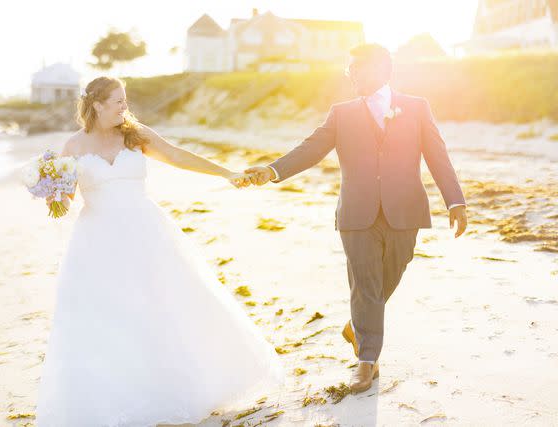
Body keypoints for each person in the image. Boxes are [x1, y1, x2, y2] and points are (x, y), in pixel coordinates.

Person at [35, 76, 284, 426]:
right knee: (110, 316)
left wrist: (226, 172)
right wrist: (51, 192)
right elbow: (65, 200)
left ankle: (177, 386)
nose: (125, 106)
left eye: (125, 100)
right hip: (98, 240)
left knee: (164, 304)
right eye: (118, 101)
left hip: (146, 231)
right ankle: (121, 393)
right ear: (97, 105)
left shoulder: (135, 134)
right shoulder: (73, 146)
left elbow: (177, 155)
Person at [245, 43, 467, 394]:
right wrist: (272, 170)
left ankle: (357, 326)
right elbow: (310, 149)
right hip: (356, 214)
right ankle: (367, 361)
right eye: (347, 69)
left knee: (386, 280)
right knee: (366, 285)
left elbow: (438, 156)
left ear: (378, 68)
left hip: (405, 211)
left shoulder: (416, 108)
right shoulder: (341, 113)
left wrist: (455, 201)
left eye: (355, 69)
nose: (349, 75)